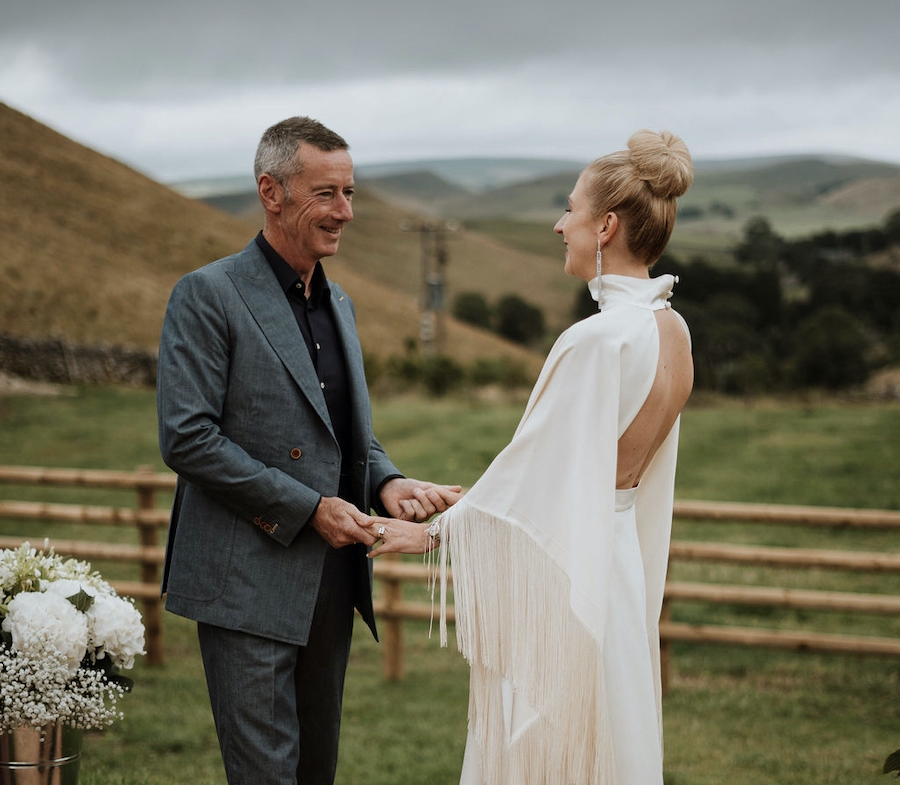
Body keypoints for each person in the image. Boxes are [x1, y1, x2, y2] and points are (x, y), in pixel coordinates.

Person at [371, 129, 695, 784]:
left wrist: (434, 531)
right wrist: (480, 500)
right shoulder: (672, 328)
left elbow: (537, 473)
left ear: (605, 226)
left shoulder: (595, 341)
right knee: (612, 735)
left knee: (551, 748)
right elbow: (569, 473)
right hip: (621, 568)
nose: (558, 224)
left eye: (570, 209)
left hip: (572, 570)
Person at [157, 116, 462, 785]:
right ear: (272, 191)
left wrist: (387, 481)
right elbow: (188, 437)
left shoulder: (341, 303)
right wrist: (308, 507)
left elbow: (346, 432)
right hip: (247, 583)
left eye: (349, 193)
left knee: (316, 772)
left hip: (331, 584)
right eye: (327, 193)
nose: (345, 212)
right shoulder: (208, 294)